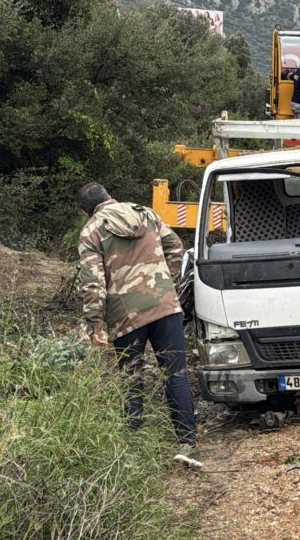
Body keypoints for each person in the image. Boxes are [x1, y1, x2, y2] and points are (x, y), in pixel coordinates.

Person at [76, 182, 201, 467]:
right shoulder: (145, 213)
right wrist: (164, 282)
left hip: (125, 316)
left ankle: (133, 453)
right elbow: (176, 247)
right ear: (110, 197)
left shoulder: (92, 230)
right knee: (176, 374)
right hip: (165, 307)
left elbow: (93, 283)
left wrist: (94, 324)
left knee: (131, 380)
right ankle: (187, 444)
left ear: (85, 211)